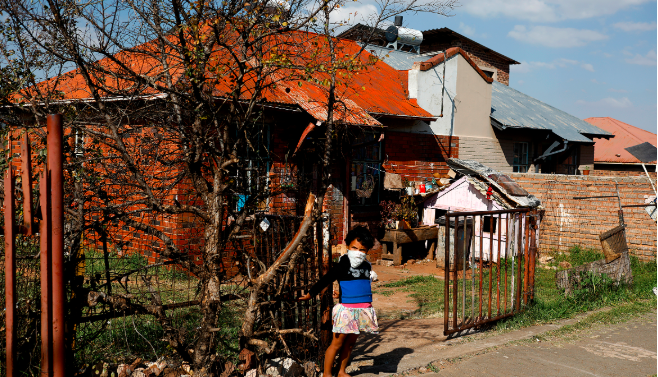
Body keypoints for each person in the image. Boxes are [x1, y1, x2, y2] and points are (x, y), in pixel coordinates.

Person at [298, 226, 379, 377]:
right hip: (347, 311)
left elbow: (354, 284)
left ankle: (341, 371)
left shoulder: (367, 266)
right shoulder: (343, 263)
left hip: (363, 310)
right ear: (347, 246)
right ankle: (327, 374)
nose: (358, 252)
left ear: (367, 250)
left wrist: (341, 293)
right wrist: (311, 293)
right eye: (354, 248)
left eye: (362, 250)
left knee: (350, 344)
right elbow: (327, 279)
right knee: (337, 344)